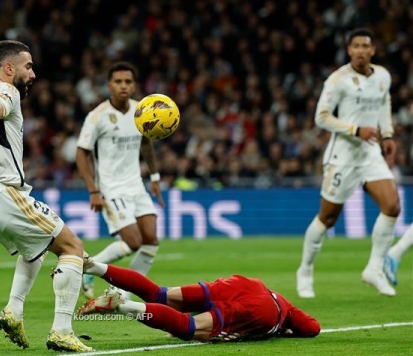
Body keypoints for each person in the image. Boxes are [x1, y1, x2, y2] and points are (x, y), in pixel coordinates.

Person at [0, 40, 92, 352]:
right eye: (28, 66)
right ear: (9, 68)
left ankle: (13, 310)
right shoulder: (6, 90)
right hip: (3, 194)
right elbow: (0, 102)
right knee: (72, 247)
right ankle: (62, 331)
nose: (33, 74)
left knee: (35, 249)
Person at [296, 28, 401, 298]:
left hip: (370, 154)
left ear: (373, 50)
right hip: (342, 156)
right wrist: (356, 130)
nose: (361, 51)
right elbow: (321, 117)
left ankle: (374, 269)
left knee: (392, 206)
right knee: (327, 218)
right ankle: (305, 271)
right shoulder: (338, 80)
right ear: (349, 50)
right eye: (356, 46)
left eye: (366, 46)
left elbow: (384, 104)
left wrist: (388, 134)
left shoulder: (383, 76)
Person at [76, 61, 164, 299]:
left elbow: (146, 143)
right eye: (118, 82)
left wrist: (155, 177)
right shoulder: (97, 116)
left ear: (134, 85)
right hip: (112, 188)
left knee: (151, 241)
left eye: (128, 82)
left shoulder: (141, 111)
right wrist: (93, 190)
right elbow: (82, 153)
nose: (123, 86)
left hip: (136, 185)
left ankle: (122, 296)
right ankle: (89, 268)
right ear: (109, 85)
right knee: (134, 242)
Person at [78, 259, 320, 342]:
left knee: (160, 294)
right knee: (189, 328)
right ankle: (122, 305)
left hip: (244, 284)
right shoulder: (286, 309)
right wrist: (284, 331)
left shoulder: (271, 292)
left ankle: (93, 265)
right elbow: (312, 328)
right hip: (260, 310)